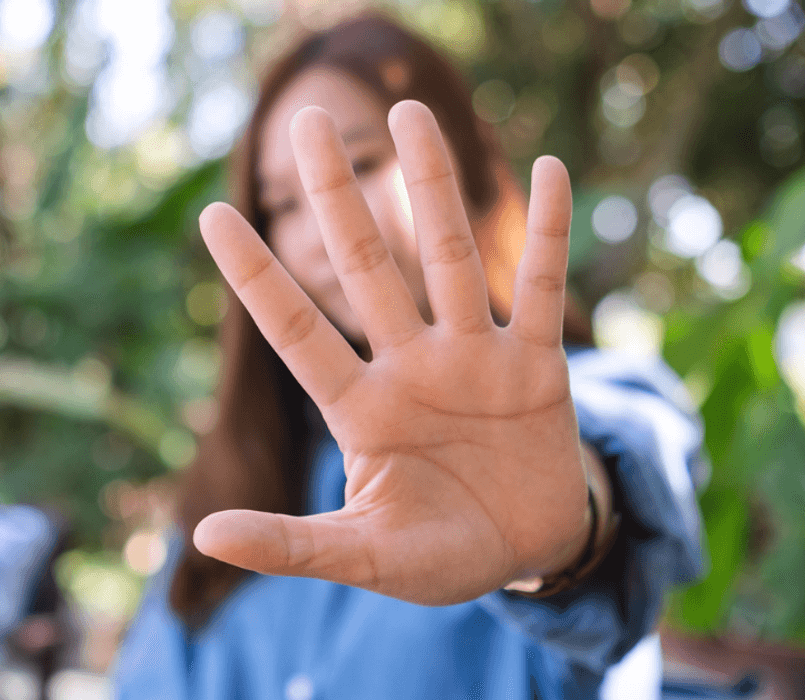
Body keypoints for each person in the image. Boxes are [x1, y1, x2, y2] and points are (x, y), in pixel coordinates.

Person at [115, 14, 716, 700]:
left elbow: (621, 461)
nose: (319, 232)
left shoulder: (595, 393)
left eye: (360, 165)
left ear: (463, 166)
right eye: (282, 203)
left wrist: (566, 541)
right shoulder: (244, 468)